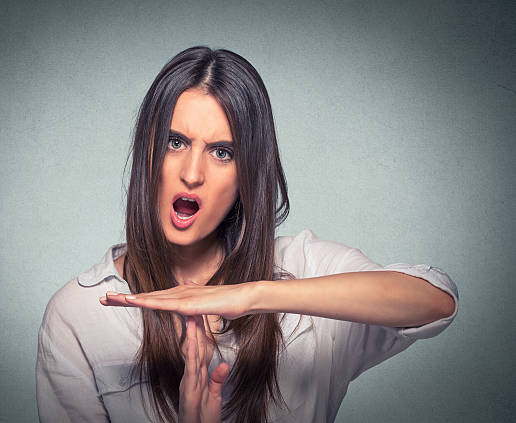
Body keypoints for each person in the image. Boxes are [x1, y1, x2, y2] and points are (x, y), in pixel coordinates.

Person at [36, 46, 458, 423]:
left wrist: (253, 295)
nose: (191, 173)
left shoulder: (306, 269)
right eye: (175, 142)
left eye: (223, 152)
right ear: (147, 150)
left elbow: (435, 301)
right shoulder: (78, 315)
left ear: (248, 174)